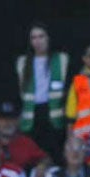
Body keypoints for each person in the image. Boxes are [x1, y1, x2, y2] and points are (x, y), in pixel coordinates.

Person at [15, 22, 69, 157]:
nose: (38, 41)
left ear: (48, 38)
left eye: (41, 36)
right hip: (31, 117)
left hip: (54, 116)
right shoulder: (22, 62)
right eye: (34, 38)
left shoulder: (61, 59)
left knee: (56, 154)